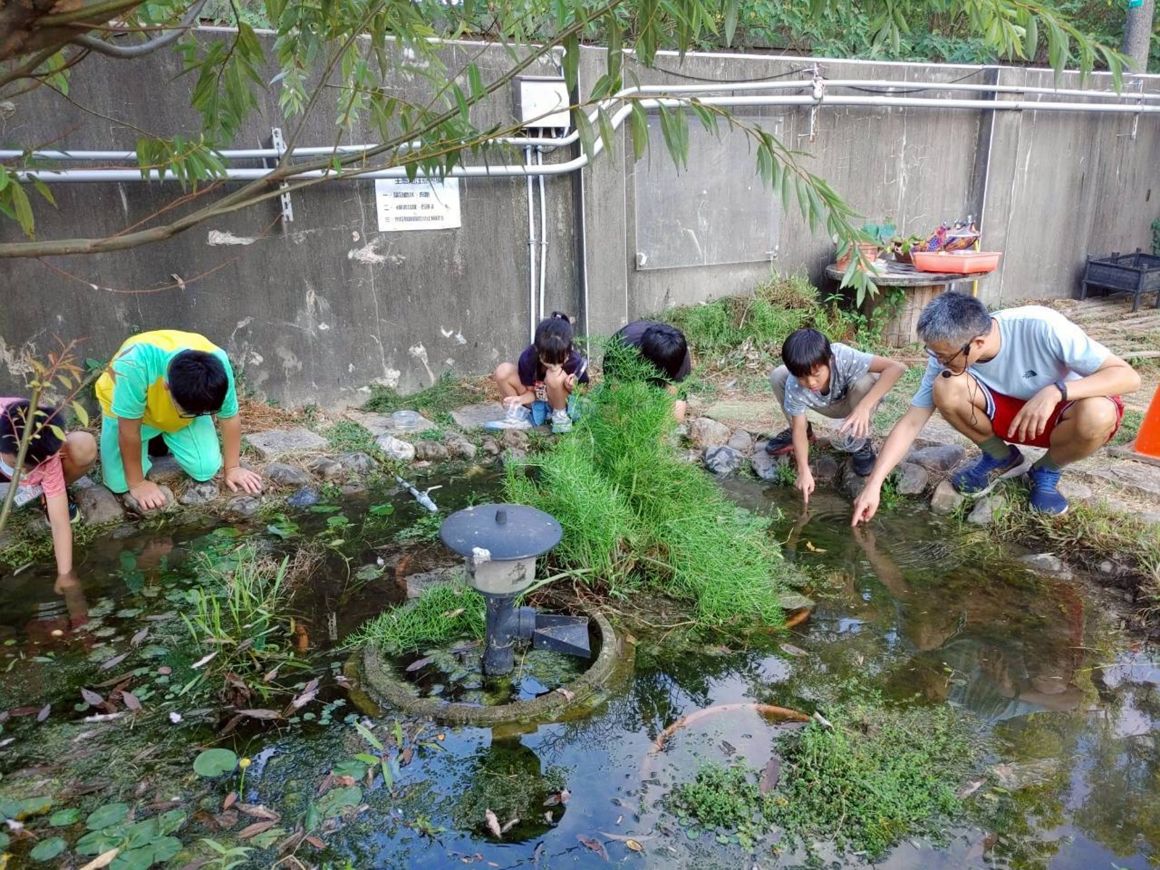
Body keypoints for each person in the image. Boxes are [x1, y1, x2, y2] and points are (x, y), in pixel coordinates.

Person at [852, 292, 1140, 523]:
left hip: (1062, 417)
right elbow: (912, 422)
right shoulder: (946, 355)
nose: (938, 360)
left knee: (1099, 414)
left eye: (943, 355)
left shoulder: (1042, 326)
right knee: (946, 386)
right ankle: (1001, 457)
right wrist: (874, 484)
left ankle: (1047, 470)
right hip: (1009, 416)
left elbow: (1128, 377)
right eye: (933, 353)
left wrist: (1057, 391)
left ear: (977, 342)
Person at [95, 330, 263, 510]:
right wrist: (137, 483)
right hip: (133, 417)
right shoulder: (133, 365)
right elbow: (128, 431)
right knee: (120, 484)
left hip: (178, 418)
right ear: (167, 387)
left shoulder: (217, 364)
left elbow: (229, 417)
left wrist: (232, 468)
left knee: (205, 468)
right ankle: (154, 439)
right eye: (191, 412)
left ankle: (164, 436)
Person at [765, 328, 906, 504]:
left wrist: (864, 407)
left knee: (865, 382)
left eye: (816, 375)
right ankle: (810, 435)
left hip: (852, 404)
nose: (810, 383)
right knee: (779, 375)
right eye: (802, 377)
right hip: (822, 405)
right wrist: (803, 470)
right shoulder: (795, 385)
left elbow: (896, 368)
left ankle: (860, 441)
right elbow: (798, 429)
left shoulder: (842, 355)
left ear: (830, 361)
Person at [0, 400, 97, 585]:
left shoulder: (44, 450)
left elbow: (60, 524)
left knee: (81, 445)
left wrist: (65, 575)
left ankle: (46, 494)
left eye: (33, 468)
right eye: (18, 467)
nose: (26, 475)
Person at [492, 312, 589, 433]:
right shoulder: (528, 357)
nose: (554, 366)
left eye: (559, 361)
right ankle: (518, 415)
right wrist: (520, 399)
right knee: (503, 371)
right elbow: (532, 391)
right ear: (537, 350)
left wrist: (572, 388)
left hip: (562, 403)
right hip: (537, 402)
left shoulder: (575, 361)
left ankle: (560, 419)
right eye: (547, 361)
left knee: (554, 376)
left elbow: (584, 391)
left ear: (568, 352)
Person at [604, 320, 693, 421]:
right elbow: (616, 397)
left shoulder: (677, 354)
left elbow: (675, 405)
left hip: (661, 360)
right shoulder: (620, 352)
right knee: (619, 411)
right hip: (627, 359)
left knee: (674, 417)